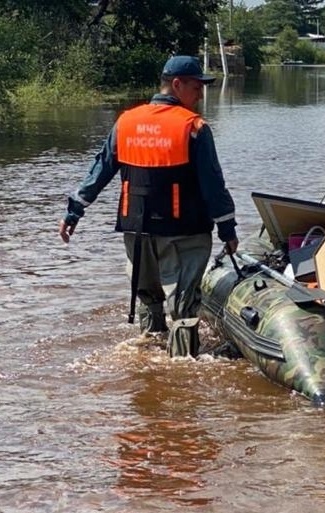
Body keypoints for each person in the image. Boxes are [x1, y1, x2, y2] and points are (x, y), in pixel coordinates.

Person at [59, 55, 239, 357]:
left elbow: (100, 170)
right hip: (184, 231)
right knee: (183, 306)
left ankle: (147, 365)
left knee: (149, 299)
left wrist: (74, 211)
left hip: (136, 231)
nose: (200, 95)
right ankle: (183, 369)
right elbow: (213, 186)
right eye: (197, 87)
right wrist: (228, 230)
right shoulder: (193, 127)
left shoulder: (126, 121)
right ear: (177, 85)